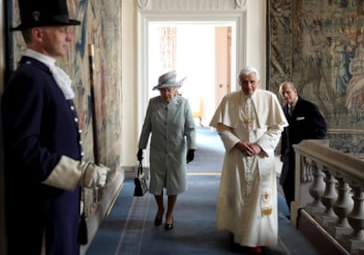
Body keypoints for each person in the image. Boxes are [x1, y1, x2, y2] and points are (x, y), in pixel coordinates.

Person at [1, 0, 110, 255]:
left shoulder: (45, 76)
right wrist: (79, 172)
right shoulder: (28, 79)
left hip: (60, 202)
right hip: (42, 206)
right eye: (62, 30)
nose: (70, 38)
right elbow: (23, 150)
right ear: (38, 33)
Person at [210, 66, 288, 254]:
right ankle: (235, 229)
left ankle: (255, 239)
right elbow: (221, 127)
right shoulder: (229, 100)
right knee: (234, 194)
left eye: (252, 82)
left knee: (258, 199)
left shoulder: (269, 99)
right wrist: (237, 143)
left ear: (258, 82)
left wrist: (259, 145)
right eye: (244, 82)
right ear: (239, 82)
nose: (249, 86)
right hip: (237, 156)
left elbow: (277, 127)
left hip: (261, 158)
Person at [137, 70, 196, 230]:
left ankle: (169, 213)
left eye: (169, 90)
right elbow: (146, 127)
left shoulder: (183, 104)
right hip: (157, 150)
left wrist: (192, 148)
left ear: (175, 90)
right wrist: (141, 147)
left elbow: (190, 128)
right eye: (163, 90)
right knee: (156, 184)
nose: (166, 93)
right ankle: (160, 208)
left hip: (177, 151)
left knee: (173, 184)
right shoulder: (153, 103)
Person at [279, 81, 327, 214]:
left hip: (304, 155)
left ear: (295, 91)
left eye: (288, 92)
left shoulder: (309, 107)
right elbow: (284, 133)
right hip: (289, 155)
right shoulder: (283, 110)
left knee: (301, 186)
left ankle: (299, 214)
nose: (286, 95)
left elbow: (322, 130)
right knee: (285, 183)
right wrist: (282, 152)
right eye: (283, 93)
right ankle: (292, 212)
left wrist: (311, 147)